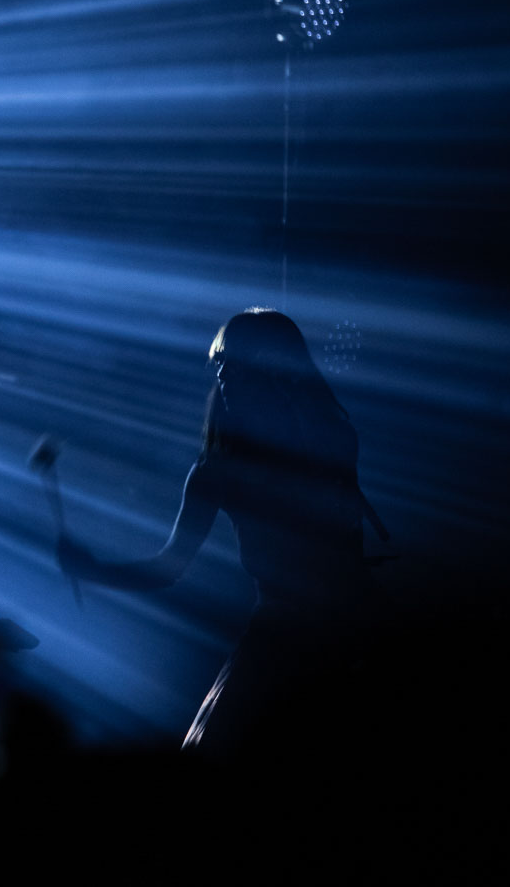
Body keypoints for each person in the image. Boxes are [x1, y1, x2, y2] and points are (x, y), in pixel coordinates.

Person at [57, 307, 387, 758]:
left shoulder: (327, 440)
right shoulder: (225, 470)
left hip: (334, 631)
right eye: (220, 362)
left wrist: (94, 571)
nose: (224, 372)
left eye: (236, 359)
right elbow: (168, 566)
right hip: (307, 630)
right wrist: (95, 570)